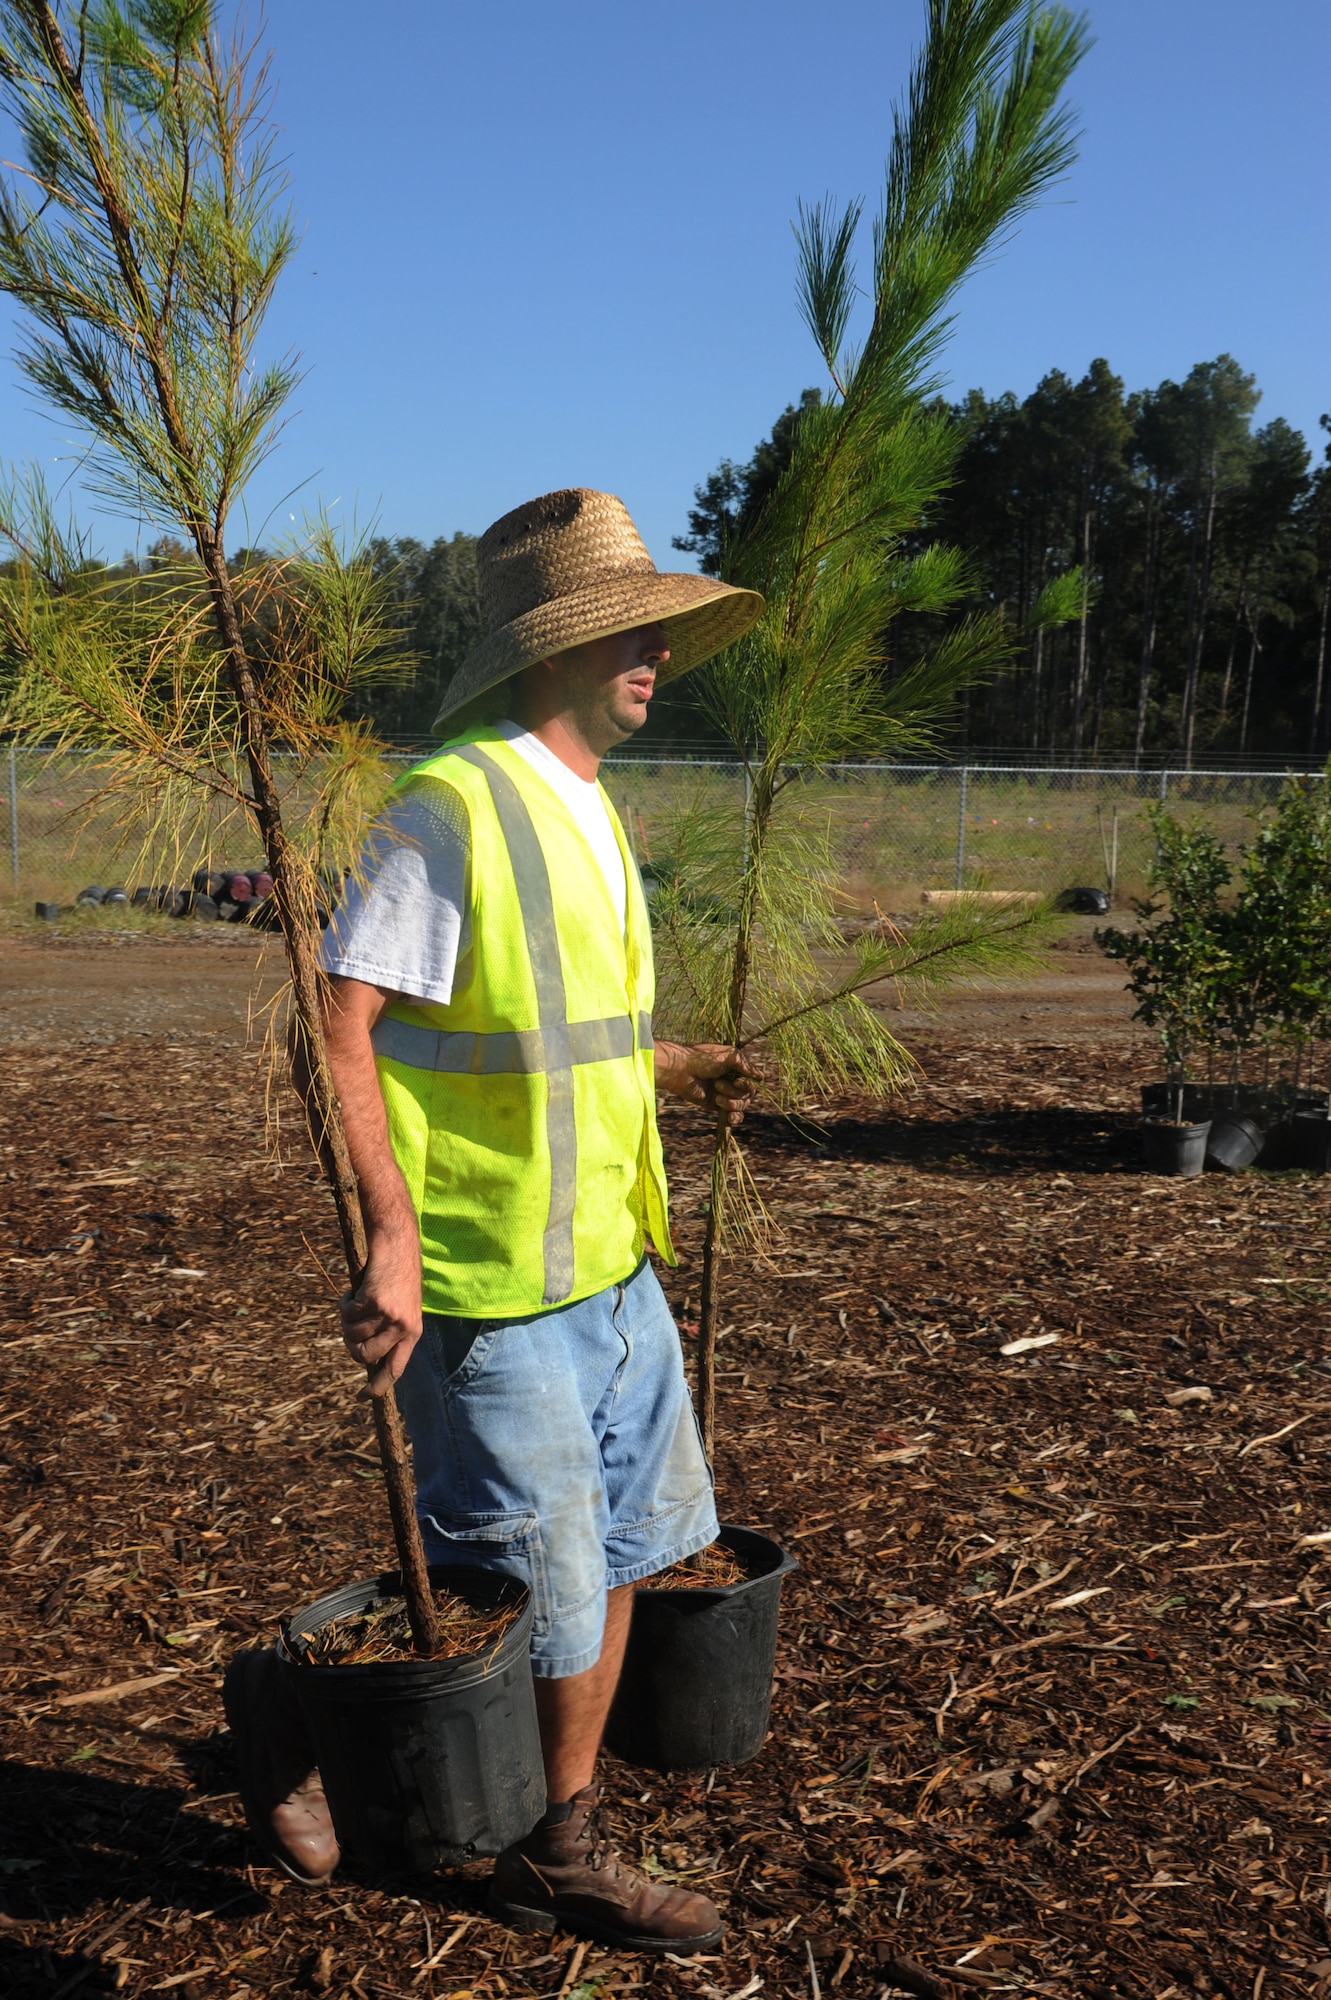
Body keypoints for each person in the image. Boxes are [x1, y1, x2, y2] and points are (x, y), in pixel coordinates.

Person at [224, 487, 764, 1953]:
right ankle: (503, 1819)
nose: (649, 649)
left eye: (653, 625)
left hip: (611, 1261)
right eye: (620, 630)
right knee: (527, 1569)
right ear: (549, 648)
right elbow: (341, 1025)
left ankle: (545, 1815)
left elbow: (552, 1035)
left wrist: (682, 1063)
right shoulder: (452, 804)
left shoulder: (589, 805)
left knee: (635, 1544)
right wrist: (387, 1235)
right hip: (488, 1277)